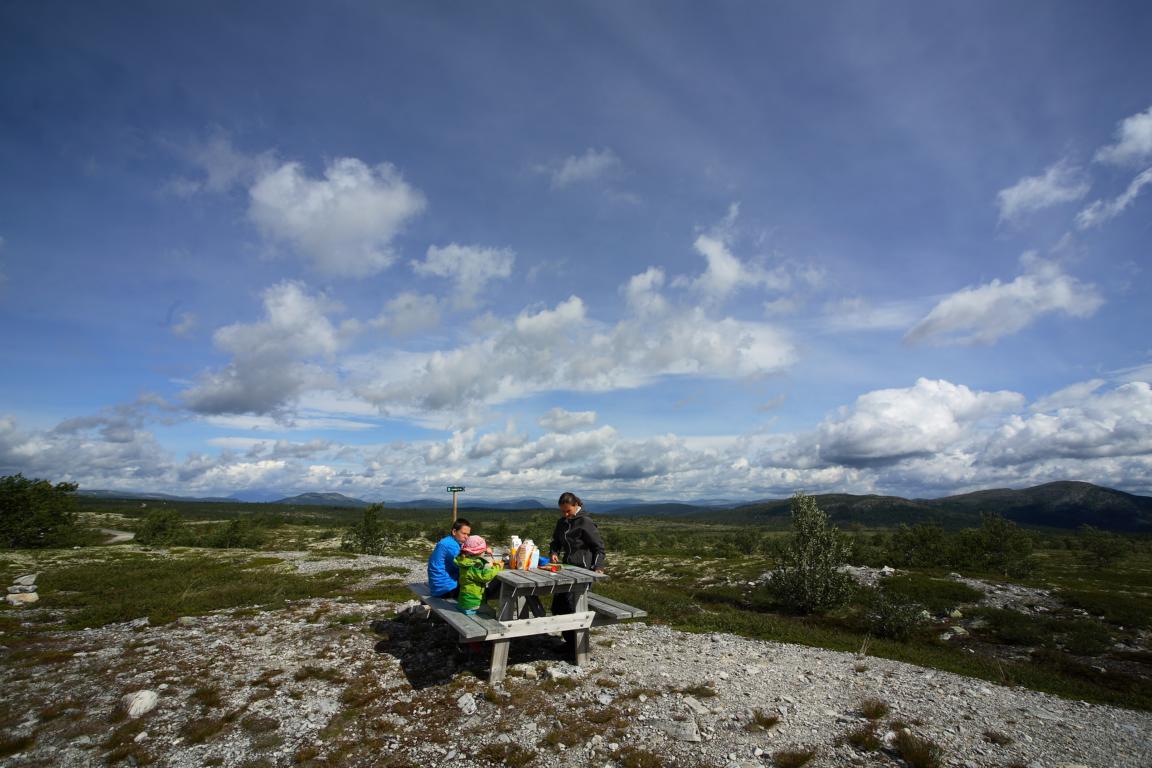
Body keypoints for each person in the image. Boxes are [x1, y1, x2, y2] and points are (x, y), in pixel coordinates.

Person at [548, 492, 606, 653]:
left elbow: (599, 548)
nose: (565, 514)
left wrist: (597, 566)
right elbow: (555, 542)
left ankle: (577, 648)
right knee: (558, 606)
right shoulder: (562, 522)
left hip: (584, 570)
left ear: (576, 506)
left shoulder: (585, 522)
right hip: (567, 569)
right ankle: (569, 643)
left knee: (573, 607)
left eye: (568, 511)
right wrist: (553, 552)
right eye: (562, 511)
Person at [454, 535, 503, 615]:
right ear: (478, 552)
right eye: (483, 551)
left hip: (465, 600)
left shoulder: (466, 561)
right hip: (472, 602)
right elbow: (485, 576)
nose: (484, 552)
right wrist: (498, 567)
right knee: (492, 613)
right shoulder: (472, 566)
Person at [427, 518, 471, 598]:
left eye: (468, 534)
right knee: (477, 587)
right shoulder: (450, 545)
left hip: (438, 585)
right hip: (444, 588)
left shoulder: (448, 541)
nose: (466, 537)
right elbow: (464, 565)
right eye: (464, 533)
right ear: (454, 532)